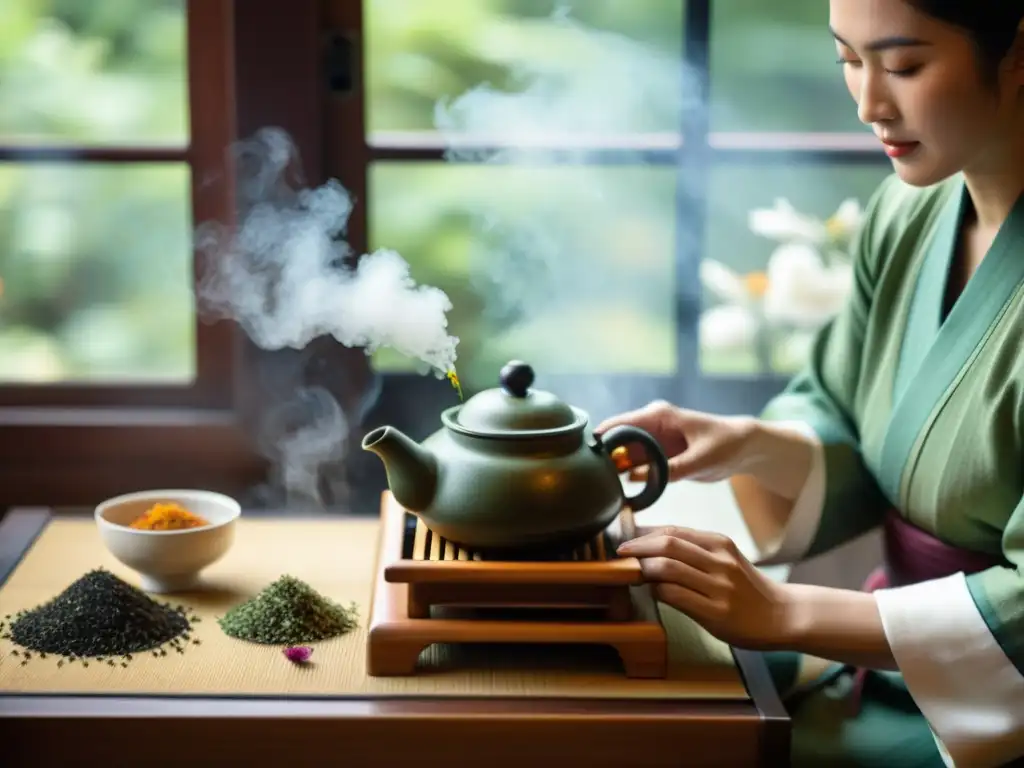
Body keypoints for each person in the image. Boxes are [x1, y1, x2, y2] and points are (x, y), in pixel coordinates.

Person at [597, 2, 1024, 766]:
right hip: (898, 664)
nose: (867, 104)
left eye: (903, 66)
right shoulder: (911, 211)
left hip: (988, 712)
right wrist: (749, 445)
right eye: (848, 61)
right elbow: (844, 405)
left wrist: (782, 611)